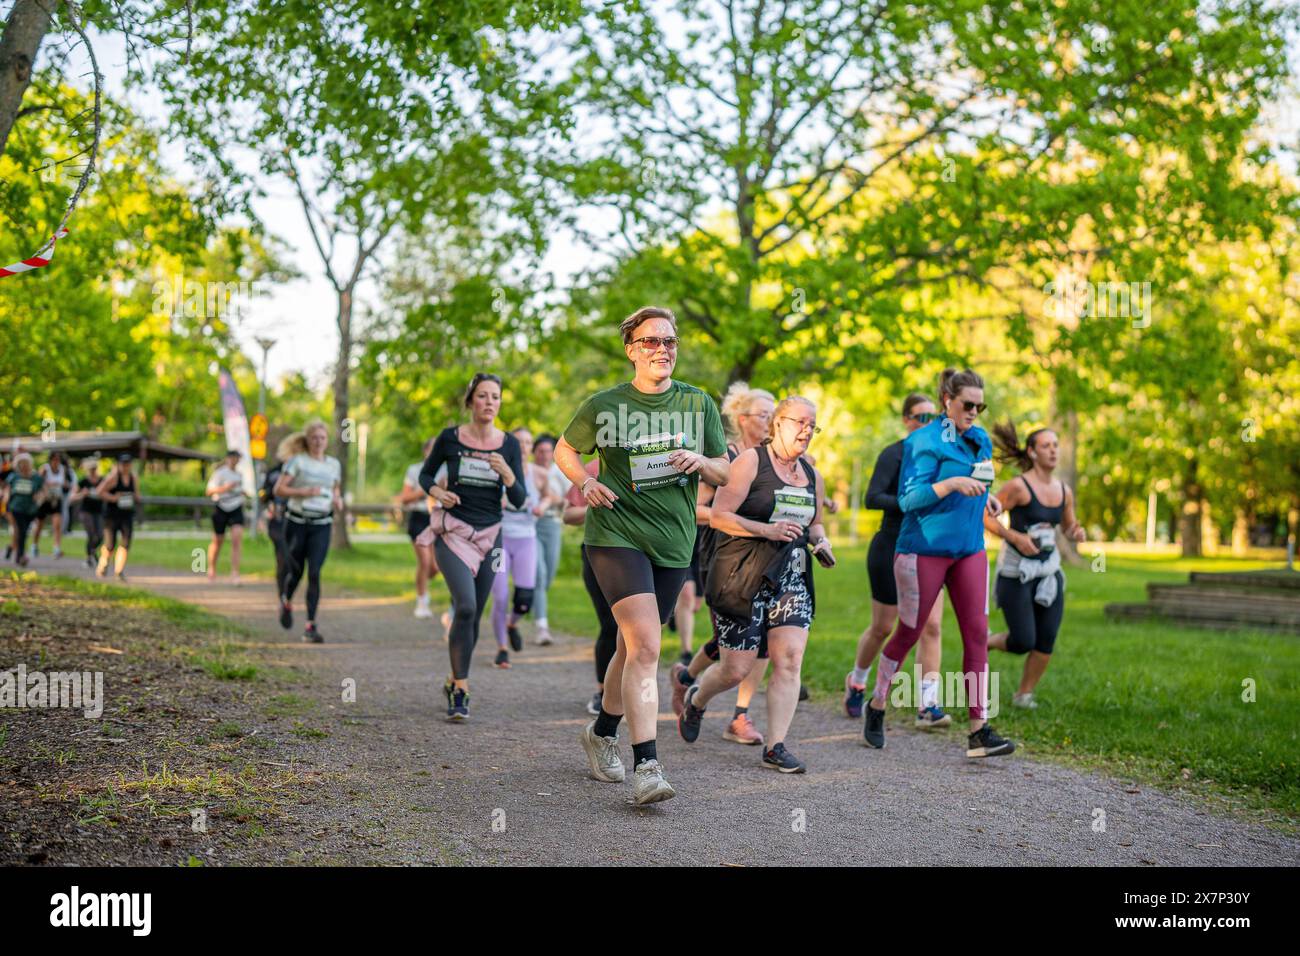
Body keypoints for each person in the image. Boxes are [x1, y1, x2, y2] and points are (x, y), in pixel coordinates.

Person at [556, 305, 729, 805]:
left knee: (633, 649)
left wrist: (702, 460)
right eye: (652, 341)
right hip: (615, 534)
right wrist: (585, 481)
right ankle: (647, 766)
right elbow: (567, 449)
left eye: (670, 341)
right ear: (632, 350)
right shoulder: (605, 405)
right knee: (647, 646)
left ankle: (601, 731)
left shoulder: (698, 406)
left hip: (673, 543)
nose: (663, 349)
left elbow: (723, 470)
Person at [862, 368, 1016, 759]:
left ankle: (979, 729)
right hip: (922, 550)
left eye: (981, 406)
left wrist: (987, 499)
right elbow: (909, 500)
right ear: (947, 400)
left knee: (977, 633)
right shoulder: (922, 442)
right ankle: (877, 704)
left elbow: (978, 481)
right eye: (968, 405)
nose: (975, 412)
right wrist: (949, 485)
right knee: (909, 632)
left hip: (969, 550)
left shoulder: (979, 439)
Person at [677, 396, 834, 774]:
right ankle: (697, 698)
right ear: (777, 424)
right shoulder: (750, 462)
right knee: (736, 669)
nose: (807, 431)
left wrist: (822, 541)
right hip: (742, 574)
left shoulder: (812, 474)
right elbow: (719, 515)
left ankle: (776, 746)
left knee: (790, 659)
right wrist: (766, 529)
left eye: (813, 426)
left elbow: (814, 522)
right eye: (800, 423)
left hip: (791, 575)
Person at [670, 382, 775, 746]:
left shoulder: (774, 458)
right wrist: (725, 515)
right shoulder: (726, 457)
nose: (772, 421)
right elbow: (693, 508)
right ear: (744, 419)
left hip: (766, 559)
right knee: (732, 641)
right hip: (722, 557)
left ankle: (739, 715)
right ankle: (690, 684)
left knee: (759, 639)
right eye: (766, 415)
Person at [418, 373, 528, 720]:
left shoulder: (508, 444)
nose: (489, 402)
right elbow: (425, 475)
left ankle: (453, 678)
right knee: (464, 605)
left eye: (495, 397)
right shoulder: (450, 438)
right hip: (452, 531)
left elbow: (520, 497)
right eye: (482, 396)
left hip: (491, 537)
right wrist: (438, 493)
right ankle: (462, 690)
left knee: (475, 611)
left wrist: (508, 474)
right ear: (470, 401)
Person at [844, 393, 950, 730]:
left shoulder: (941, 455)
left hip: (931, 549)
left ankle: (928, 704)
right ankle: (858, 680)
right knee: (884, 627)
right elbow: (872, 497)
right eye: (920, 418)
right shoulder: (895, 453)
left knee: (931, 626)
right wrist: (913, 502)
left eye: (933, 418)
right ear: (906, 420)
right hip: (891, 545)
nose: (927, 424)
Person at [985, 421, 1087, 709]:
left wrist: (1076, 532)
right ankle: (990, 641)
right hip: (1015, 573)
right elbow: (986, 515)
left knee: (1046, 639)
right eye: (1046, 446)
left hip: (1048, 573)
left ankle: (1024, 695)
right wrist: (1013, 536)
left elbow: (1068, 527)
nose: (1053, 451)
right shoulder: (1019, 486)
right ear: (1032, 452)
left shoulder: (1064, 491)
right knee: (1023, 640)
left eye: (1055, 445)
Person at [273, 421, 343, 643]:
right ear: (307, 439)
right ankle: (286, 599)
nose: (318, 442)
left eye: (322, 438)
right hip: (296, 522)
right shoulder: (297, 462)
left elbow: (335, 489)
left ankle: (310, 625)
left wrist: (337, 500)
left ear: (327, 440)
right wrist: (303, 492)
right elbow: (279, 489)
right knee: (296, 570)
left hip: (322, 523)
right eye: (315, 438)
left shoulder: (333, 464)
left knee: (314, 572)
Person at [563, 456, 615, 716]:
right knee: (611, 624)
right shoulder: (593, 468)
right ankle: (604, 691)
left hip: (643, 553)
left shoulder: (651, 461)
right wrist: (596, 504)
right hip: (599, 553)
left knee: (637, 631)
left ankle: (626, 689)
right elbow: (568, 514)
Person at [489, 426, 544, 669]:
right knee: (500, 596)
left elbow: (553, 495)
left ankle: (512, 623)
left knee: (524, 600)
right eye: (519, 442)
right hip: (499, 541)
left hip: (526, 540)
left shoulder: (539, 474)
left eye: (527, 442)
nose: (523, 446)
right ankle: (502, 648)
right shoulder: (498, 471)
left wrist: (544, 503)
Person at [531, 433, 570, 646]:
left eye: (548, 451)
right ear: (533, 453)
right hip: (530, 526)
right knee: (539, 573)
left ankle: (527, 601)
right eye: (540, 451)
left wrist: (553, 499)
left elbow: (571, 500)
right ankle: (542, 627)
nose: (545, 455)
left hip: (553, 525)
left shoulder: (560, 473)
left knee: (548, 576)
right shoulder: (527, 471)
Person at [398, 437, 440, 619]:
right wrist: (426, 490)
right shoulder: (414, 470)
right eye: (432, 449)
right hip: (418, 518)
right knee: (424, 561)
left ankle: (424, 584)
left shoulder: (447, 470)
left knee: (435, 566)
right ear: (425, 451)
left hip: (439, 518)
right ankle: (422, 601)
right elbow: (404, 498)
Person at [261, 437, 299, 607]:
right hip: (276, 521)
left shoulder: (302, 471)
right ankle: (282, 596)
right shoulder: (273, 472)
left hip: (296, 521)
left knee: (293, 558)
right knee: (282, 556)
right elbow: (263, 495)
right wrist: (269, 496)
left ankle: (287, 593)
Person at [205, 449, 247, 584]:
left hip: (236, 507)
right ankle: (211, 568)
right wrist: (226, 488)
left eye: (238, 458)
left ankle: (235, 573)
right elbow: (209, 491)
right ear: (228, 458)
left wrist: (242, 493)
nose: (235, 461)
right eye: (233, 458)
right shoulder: (220, 473)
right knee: (218, 541)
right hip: (221, 507)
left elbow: (238, 490)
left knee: (237, 539)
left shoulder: (240, 475)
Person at [96, 454, 139, 581]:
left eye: (128, 464)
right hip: (111, 516)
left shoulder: (133, 478)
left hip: (126, 515)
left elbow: (137, 494)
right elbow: (99, 491)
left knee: (125, 543)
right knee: (110, 545)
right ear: (119, 465)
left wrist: (134, 498)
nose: (126, 467)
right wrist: (113, 498)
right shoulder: (113, 478)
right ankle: (103, 563)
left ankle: (118, 571)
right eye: (123, 464)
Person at [1, 454, 42, 565]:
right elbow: (7, 491)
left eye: (26, 463)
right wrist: (6, 500)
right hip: (16, 508)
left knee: (22, 532)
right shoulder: (14, 477)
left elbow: (42, 491)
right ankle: (20, 556)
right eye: (21, 464)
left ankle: (11, 548)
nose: (24, 466)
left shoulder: (36, 478)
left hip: (30, 510)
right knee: (21, 531)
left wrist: (39, 499)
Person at [33, 451, 74, 559]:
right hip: (45, 500)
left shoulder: (62, 469)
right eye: (55, 459)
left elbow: (64, 483)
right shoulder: (45, 469)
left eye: (58, 459)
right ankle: (35, 545)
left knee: (57, 525)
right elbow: (38, 482)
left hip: (56, 499)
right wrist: (48, 485)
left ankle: (56, 548)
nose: (56, 462)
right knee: (40, 525)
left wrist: (67, 485)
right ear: (50, 460)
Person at [70, 456, 105, 569]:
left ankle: (92, 553)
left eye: (94, 468)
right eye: (91, 468)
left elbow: (108, 492)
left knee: (100, 536)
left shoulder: (102, 480)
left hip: (99, 511)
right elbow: (72, 497)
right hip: (86, 511)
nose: (93, 470)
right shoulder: (83, 481)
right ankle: (89, 558)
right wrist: (82, 494)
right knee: (91, 535)